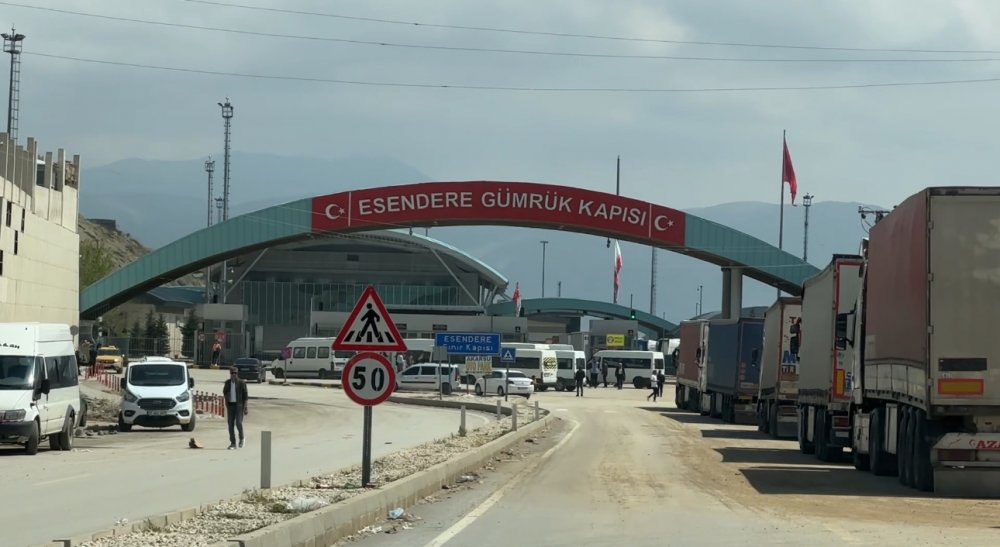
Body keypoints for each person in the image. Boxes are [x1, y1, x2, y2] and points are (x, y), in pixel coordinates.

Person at [223, 367, 249, 449]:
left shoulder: (242, 383)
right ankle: (233, 443)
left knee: (238, 423)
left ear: (237, 373)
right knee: (230, 425)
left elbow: (245, 396)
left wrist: (245, 407)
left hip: (239, 406)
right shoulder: (227, 383)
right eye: (232, 373)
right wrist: (226, 400)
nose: (234, 374)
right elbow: (224, 392)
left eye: (235, 373)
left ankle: (242, 438)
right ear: (230, 374)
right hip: (230, 406)